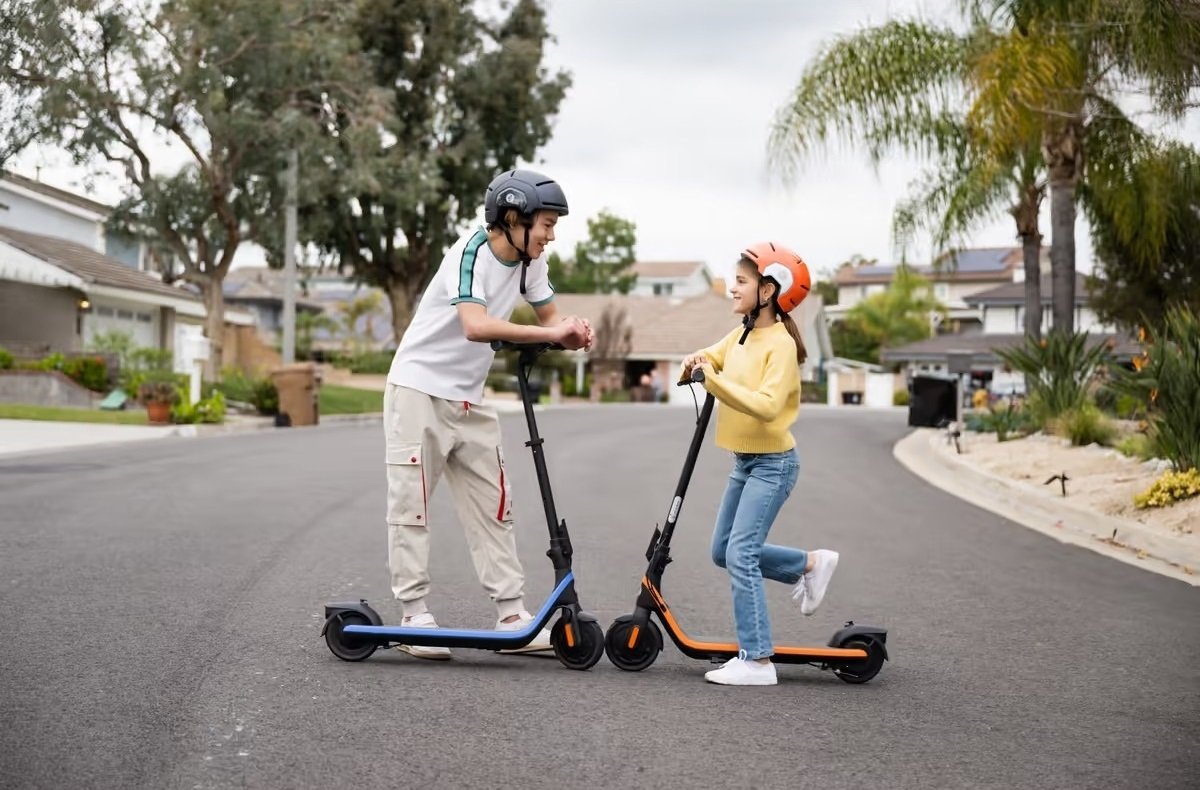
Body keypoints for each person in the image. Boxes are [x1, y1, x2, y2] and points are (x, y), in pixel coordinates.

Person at [383, 169, 594, 660]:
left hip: (469, 398)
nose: (551, 235)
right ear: (513, 218)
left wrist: (574, 330)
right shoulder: (469, 253)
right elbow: (475, 326)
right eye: (545, 224)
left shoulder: (529, 263)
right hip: (418, 389)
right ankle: (414, 614)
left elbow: (550, 321)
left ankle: (512, 614)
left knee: (495, 505)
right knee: (411, 504)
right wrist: (550, 335)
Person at [680, 241, 838, 686]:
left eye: (742, 282)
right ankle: (810, 564)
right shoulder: (744, 333)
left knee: (741, 554)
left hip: (774, 464)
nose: (733, 288)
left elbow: (768, 406)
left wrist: (713, 381)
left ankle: (757, 661)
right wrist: (697, 362)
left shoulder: (781, 344)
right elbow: (714, 356)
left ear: (769, 291)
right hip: (746, 462)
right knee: (722, 551)